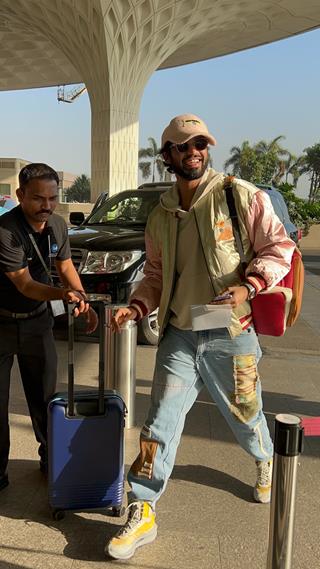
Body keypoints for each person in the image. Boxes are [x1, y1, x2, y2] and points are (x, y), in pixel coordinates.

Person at [105, 114, 295, 560]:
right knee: (159, 423)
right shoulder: (160, 216)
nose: (194, 152)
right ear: (167, 155)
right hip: (181, 331)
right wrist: (137, 306)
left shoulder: (238, 196)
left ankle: (265, 459)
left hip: (229, 327)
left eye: (201, 144)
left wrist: (249, 285)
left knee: (246, 413)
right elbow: (153, 275)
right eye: (184, 146)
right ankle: (144, 506)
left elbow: (279, 247)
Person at [0, 163, 98, 492]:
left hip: (37, 324)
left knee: (44, 397)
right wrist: (62, 294)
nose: (47, 205)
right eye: (38, 198)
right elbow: (25, 285)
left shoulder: (56, 226)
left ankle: (49, 459)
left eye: (53, 198)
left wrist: (82, 299)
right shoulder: (5, 231)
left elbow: (63, 263)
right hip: (1, 323)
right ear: (20, 195)